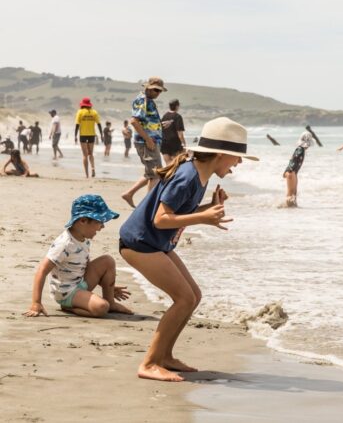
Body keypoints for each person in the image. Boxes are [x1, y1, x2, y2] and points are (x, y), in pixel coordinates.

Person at [119, 117, 259, 382]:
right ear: (220, 154)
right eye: (237, 157)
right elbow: (161, 219)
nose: (238, 163)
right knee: (183, 299)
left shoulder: (199, 174)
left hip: (155, 243)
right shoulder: (187, 176)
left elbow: (180, 212)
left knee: (193, 295)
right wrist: (203, 218)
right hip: (139, 243)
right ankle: (148, 363)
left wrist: (207, 208)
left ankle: (166, 356)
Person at [24, 194, 132, 318]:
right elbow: (41, 271)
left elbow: (85, 267)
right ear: (83, 221)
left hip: (80, 282)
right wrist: (36, 302)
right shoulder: (64, 244)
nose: (102, 227)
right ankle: (69, 307)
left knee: (108, 260)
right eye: (100, 222)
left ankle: (111, 302)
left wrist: (107, 286)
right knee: (101, 308)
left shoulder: (83, 239)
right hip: (67, 292)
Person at [121, 77, 167, 208]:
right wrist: (148, 139)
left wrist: (159, 125)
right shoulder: (142, 100)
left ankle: (129, 194)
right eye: (156, 90)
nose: (158, 93)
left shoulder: (149, 100)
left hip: (149, 141)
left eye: (160, 91)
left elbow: (144, 122)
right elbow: (134, 121)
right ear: (147, 88)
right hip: (147, 143)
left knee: (151, 174)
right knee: (156, 174)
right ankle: (148, 207)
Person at [282, 130, 314, 207]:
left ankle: (293, 209)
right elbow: (292, 161)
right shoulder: (300, 149)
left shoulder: (301, 149)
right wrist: (289, 172)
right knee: (291, 194)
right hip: (291, 172)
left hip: (293, 172)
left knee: (294, 194)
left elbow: (291, 160)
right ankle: (287, 209)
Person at [74, 98, 103, 178]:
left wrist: (75, 136)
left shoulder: (80, 112)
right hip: (91, 135)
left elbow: (77, 125)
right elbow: (99, 124)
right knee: (91, 153)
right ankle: (93, 168)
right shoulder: (94, 112)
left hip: (83, 135)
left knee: (85, 155)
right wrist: (101, 134)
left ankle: (87, 175)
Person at [160, 99, 186, 165]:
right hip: (175, 143)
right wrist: (184, 144)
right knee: (176, 164)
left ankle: (169, 175)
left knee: (168, 164)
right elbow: (180, 134)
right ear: (177, 106)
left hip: (164, 142)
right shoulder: (178, 117)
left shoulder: (164, 116)